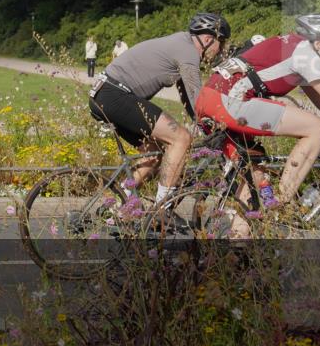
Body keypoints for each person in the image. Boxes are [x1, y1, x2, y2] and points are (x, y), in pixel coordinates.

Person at [196, 14, 320, 208]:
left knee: (254, 181)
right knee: (317, 128)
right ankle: (283, 203)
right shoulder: (306, 54)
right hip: (230, 101)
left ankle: (256, 220)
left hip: (211, 98)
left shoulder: (292, 45)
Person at [89, 13, 230, 204]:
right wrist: (223, 120)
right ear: (208, 39)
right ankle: (162, 209)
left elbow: (187, 96)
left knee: (154, 154)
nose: (221, 50)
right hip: (115, 94)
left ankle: (116, 207)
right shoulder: (189, 52)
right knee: (181, 138)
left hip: (105, 94)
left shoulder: (181, 44)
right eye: (221, 43)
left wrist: (201, 122)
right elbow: (199, 100)